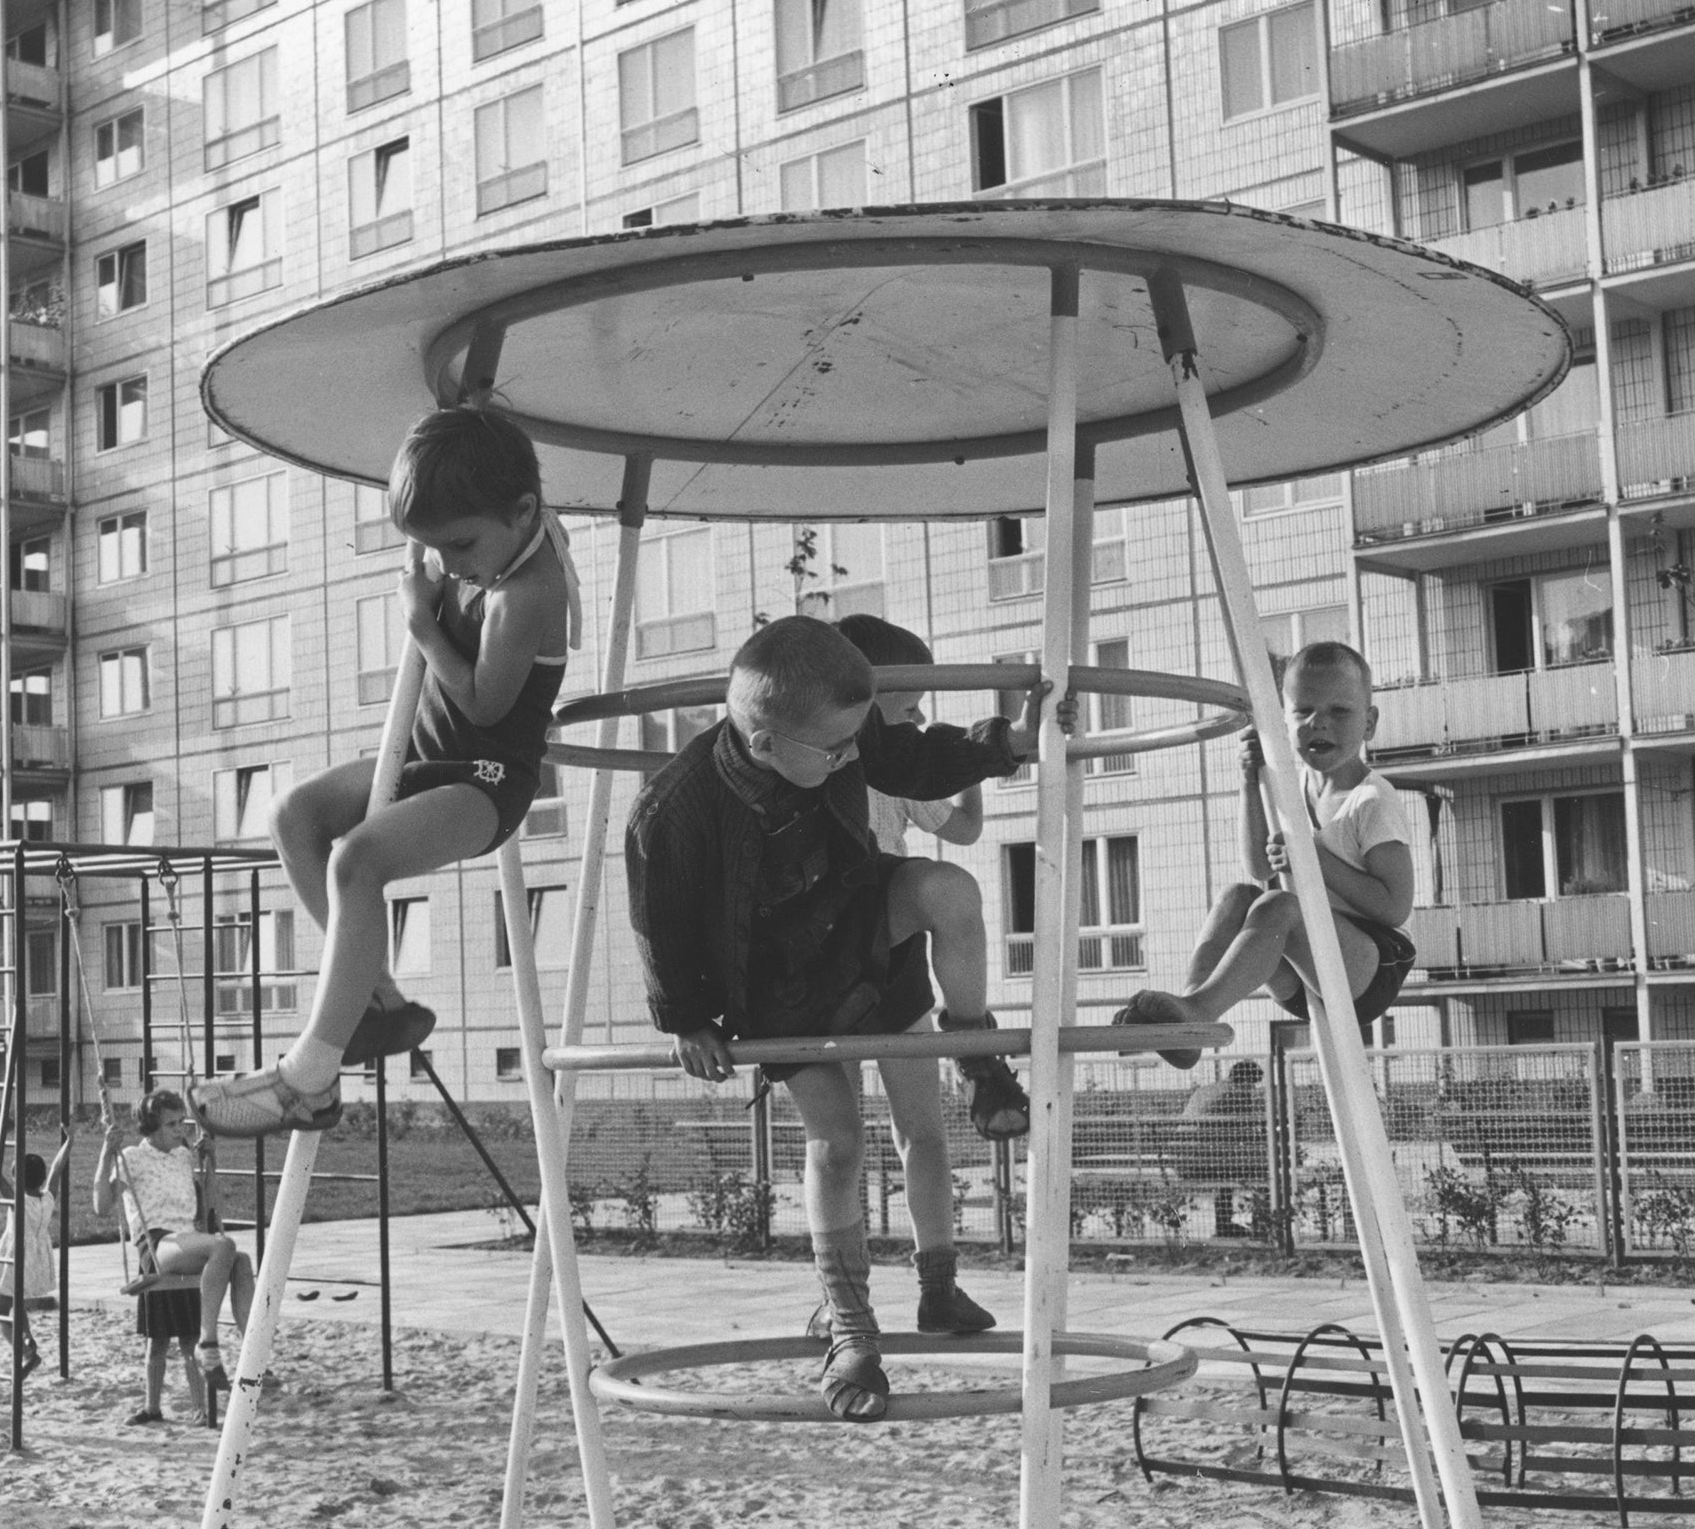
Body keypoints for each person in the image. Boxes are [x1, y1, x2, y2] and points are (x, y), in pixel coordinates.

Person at [626, 615, 1067, 1421]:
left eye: (850, 745)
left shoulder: (838, 742)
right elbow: (662, 917)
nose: (846, 760)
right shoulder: (676, 808)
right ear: (762, 742)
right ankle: (854, 1330)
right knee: (838, 1141)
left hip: (857, 925)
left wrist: (1006, 744)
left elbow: (913, 758)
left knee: (950, 890)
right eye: (831, 753)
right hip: (774, 979)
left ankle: (977, 1055)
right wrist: (686, 1017)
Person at [192, 404, 579, 1138]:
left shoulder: (529, 593)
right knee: (292, 815)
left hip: (487, 779)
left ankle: (309, 1076)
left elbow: (485, 705)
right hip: (431, 753)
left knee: (357, 860)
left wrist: (424, 624)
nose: (450, 564)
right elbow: (466, 462)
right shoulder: (490, 536)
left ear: (525, 511)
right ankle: (379, 1003)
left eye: (459, 546)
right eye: (434, 548)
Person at [1114, 641, 1415, 1068]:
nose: (1319, 723)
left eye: (1339, 712)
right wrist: (1250, 782)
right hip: (1307, 961)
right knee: (1239, 896)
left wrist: (1314, 860)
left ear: (1369, 723)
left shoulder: (1371, 800)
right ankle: (1192, 1009)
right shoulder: (1288, 788)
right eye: (1303, 711)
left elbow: (1394, 907)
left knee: (1280, 906)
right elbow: (1258, 866)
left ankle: (1200, 1009)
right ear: (1285, 719)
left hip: (1370, 967)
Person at [834, 614, 1017, 1139]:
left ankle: (972, 1045)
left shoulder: (904, 768)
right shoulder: (818, 761)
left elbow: (964, 829)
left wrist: (971, 769)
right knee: (837, 1138)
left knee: (920, 1129)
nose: (919, 718)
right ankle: (972, 1045)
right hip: (827, 934)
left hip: (887, 923)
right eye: (909, 706)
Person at [95, 1091, 257, 1386]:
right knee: (224, 1245)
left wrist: (211, 1162)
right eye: (171, 1124)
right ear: (151, 1127)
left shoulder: (183, 1156)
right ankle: (207, 1342)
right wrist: (106, 1154)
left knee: (241, 1262)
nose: (180, 1129)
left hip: (186, 1238)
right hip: (156, 1244)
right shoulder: (133, 1157)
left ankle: (252, 1353)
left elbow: (207, 1203)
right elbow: (102, 1207)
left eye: (181, 1121)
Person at [0, 1129, 74, 1387]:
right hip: (38, 1260)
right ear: (41, 1180)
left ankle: (27, 1352)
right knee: (16, 1302)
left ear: (18, 1179)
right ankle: (27, 1337)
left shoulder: (17, 1200)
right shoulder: (48, 1197)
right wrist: (69, 1141)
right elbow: (58, 1167)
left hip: (16, 1259)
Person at [1175, 1058, 1268, 1237]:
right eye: (1252, 1083)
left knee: (1228, 1170)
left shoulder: (1208, 1090)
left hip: (1184, 1159)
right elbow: (1245, 1134)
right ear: (1245, 1080)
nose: (1253, 1089)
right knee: (1266, 1172)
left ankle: (1225, 1225)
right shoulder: (1236, 1095)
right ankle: (1262, 1223)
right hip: (1202, 1161)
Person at [129, 1284, 209, 1426]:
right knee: (155, 1344)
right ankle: (152, 1409)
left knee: (190, 1343)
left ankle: (199, 1409)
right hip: (155, 1276)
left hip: (185, 1276)